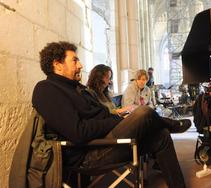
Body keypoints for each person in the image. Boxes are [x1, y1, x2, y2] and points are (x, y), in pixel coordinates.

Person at [32, 41, 190, 187]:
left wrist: (118, 120)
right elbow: (78, 132)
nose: (80, 65)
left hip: (106, 142)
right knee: (142, 112)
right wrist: (117, 122)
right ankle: (172, 124)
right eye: (74, 60)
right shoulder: (46, 90)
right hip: (88, 154)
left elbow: (103, 115)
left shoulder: (77, 89)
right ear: (57, 65)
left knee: (161, 136)